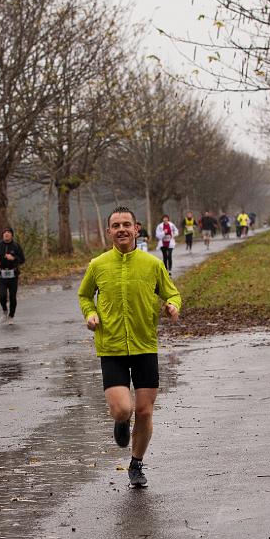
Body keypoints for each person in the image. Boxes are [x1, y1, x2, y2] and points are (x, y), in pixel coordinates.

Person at [78, 206, 181, 488]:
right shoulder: (98, 265)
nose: (121, 229)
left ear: (136, 228)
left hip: (145, 345)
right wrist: (90, 314)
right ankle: (121, 422)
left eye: (127, 224)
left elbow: (171, 292)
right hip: (111, 347)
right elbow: (85, 295)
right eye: (116, 225)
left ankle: (136, 464)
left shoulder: (152, 264)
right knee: (124, 409)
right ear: (109, 231)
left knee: (145, 411)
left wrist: (172, 305)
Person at [0, 227, 25, 323]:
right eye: (4, 232)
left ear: (12, 235)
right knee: (2, 295)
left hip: (13, 274)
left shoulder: (16, 246)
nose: (6, 234)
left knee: (13, 297)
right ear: (2, 235)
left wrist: (13, 258)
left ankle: (11, 316)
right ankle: (5, 311)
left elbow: (22, 260)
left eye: (8, 232)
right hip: (1, 274)